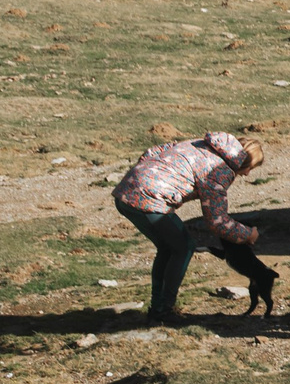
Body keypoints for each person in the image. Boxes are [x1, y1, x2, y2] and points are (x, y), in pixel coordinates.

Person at [113, 130, 274, 321]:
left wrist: (146, 175)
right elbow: (216, 221)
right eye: (250, 169)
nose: (246, 174)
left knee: (167, 247)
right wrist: (248, 234)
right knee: (183, 247)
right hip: (148, 200)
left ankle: (158, 307)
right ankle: (164, 310)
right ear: (244, 162)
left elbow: (154, 151)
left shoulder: (203, 144)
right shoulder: (220, 170)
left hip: (126, 191)